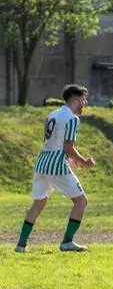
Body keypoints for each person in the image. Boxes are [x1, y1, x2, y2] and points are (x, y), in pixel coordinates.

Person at [16, 84, 95, 253]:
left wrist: (69, 158)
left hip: (42, 163)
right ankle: (67, 242)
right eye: (84, 99)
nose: (85, 103)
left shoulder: (53, 113)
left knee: (38, 204)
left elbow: (55, 143)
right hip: (56, 165)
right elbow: (67, 147)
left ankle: (21, 245)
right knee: (81, 202)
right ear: (76, 99)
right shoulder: (73, 118)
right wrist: (83, 162)